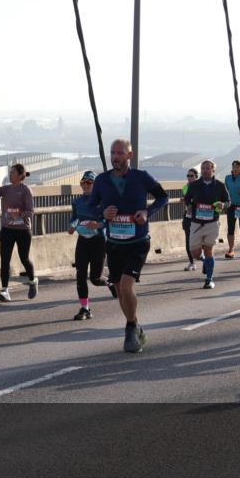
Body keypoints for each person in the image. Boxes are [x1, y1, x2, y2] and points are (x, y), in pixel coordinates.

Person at [87, 139, 169, 353]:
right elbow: (91, 205)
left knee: (125, 285)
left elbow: (163, 197)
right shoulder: (102, 180)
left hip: (138, 242)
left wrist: (146, 213)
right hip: (113, 243)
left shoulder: (141, 177)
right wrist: (102, 214)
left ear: (129, 156)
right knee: (118, 288)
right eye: (113, 153)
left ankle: (131, 327)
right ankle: (135, 325)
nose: (115, 157)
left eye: (120, 153)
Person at [0, 163, 37, 302]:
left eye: (13, 173)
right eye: (10, 172)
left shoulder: (26, 190)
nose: (10, 175)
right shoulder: (5, 189)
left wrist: (20, 215)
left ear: (21, 176)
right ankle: (5, 291)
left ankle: (33, 282)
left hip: (23, 230)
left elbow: (30, 212)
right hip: (7, 230)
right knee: (5, 261)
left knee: (24, 259)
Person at [67, 170, 107, 320]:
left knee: (95, 279)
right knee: (80, 275)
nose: (85, 185)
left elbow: (108, 222)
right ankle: (85, 308)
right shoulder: (77, 202)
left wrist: (98, 225)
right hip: (83, 241)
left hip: (98, 241)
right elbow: (75, 217)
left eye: (89, 182)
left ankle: (110, 283)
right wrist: (72, 225)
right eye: (83, 183)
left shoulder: (103, 202)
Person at [184, 160, 230, 289]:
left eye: (207, 168)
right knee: (195, 254)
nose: (204, 170)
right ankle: (204, 260)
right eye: (203, 168)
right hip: (196, 223)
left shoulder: (220, 185)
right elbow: (187, 198)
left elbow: (228, 201)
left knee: (209, 250)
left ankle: (209, 279)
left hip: (212, 222)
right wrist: (188, 206)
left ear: (213, 170)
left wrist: (223, 205)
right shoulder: (194, 185)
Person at [182, 167, 199, 271]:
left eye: (191, 176)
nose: (189, 178)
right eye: (188, 176)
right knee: (188, 240)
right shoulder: (185, 187)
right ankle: (192, 262)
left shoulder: (200, 187)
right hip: (188, 216)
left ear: (197, 177)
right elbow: (186, 199)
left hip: (198, 216)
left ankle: (203, 258)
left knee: (198, 240)